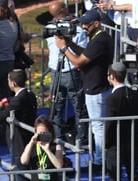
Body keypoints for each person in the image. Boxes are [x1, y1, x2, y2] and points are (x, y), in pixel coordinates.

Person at [56, 9, 113, 165]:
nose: (83, 26)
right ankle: (101, 158)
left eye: (86, 24)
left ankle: (100, 161)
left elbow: (79, 62)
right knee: (99, 125)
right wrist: (70, 44)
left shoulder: (99, 40)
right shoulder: (98, 38)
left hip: (96, 89)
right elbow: (85, 54)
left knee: (98, 126)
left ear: (96, 24)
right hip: (97, 87)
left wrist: (63, 48)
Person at [45, 2, 87, 142]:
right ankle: (79, 139)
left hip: (61, 70)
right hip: (66, 71)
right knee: (76, 106)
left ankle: (60, 140)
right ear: (64, 9)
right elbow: (83, 51)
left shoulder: (50, 28)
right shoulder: (76, 29)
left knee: (59, 106)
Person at [6, 69, 38, 181]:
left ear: (13, 83)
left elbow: (3, 115)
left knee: (21, 167)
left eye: (8, 80)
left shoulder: (18, 100)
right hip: (27, 136)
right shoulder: (29, 94)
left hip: (19, 139)